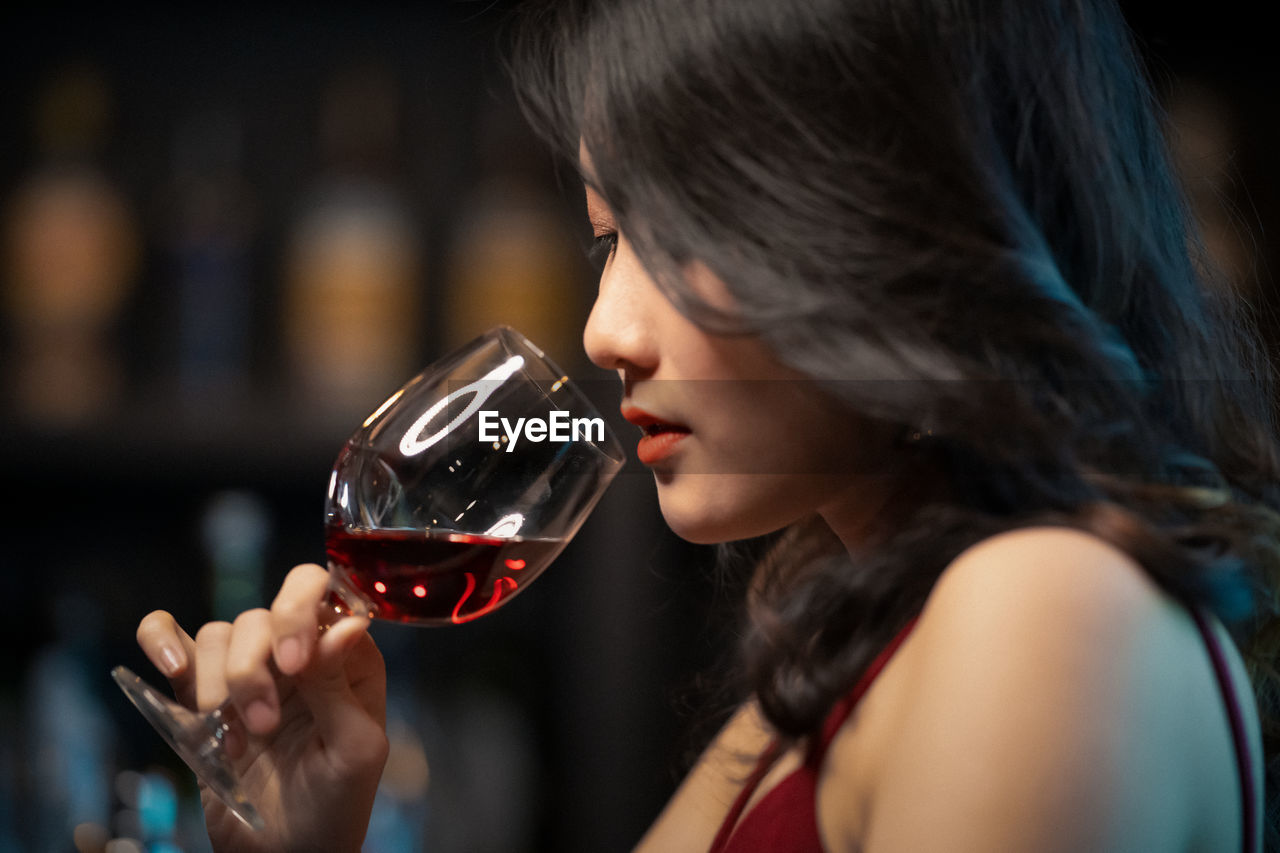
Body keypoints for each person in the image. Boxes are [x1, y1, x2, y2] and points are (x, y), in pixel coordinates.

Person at [134, 0, 1280, 850]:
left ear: (896, 212)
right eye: (604, 242)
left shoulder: (1041, 610)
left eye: (683, 237)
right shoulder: (844, 628)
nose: (602, 330)